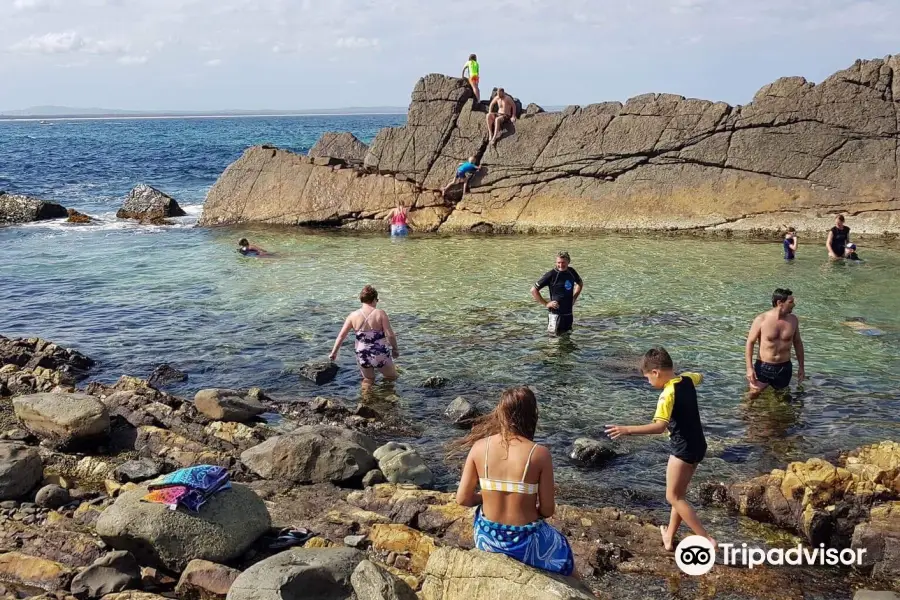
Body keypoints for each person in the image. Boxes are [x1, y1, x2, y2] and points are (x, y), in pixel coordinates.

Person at [452, 387, 575, 576]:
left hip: (487, 537)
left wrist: (485, 496)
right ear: (532, 416)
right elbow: (547, 510)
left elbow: (462, 499)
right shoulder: (539, 454)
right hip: (525, 540)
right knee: (563, 553)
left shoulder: (479, 447)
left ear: (500, 413)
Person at [605, 348, 715, 552]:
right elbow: (701, 376)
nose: (648, 383)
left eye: (648, 378)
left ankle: (706, 538)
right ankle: (669, 538)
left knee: (672, 497)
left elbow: (659, 426)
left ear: (656, 372)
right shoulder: (688, 379)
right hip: (698, 445)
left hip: (682, 450)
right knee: (679, 494)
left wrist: (627, 429)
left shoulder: (667, 394)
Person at [329, 285, 399, 387]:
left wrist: (334, 353)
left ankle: (365, 400)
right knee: (392, 377)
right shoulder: (380, 313)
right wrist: (395, 349)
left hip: (362, 353)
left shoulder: (352, 315)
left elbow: (341, 336)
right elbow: (390, 335)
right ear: (374, 299)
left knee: (368, 379)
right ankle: (389, 398)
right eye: (377, 300)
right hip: (379, 352)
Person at [745, 288, 805, 398]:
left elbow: (798, 343)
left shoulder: (793, 320)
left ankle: (775, 414)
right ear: (779, 303)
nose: (794, 305)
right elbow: (750, 342)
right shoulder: (761, 319)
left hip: (784, 367)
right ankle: (742, 415)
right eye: (791, 302)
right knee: (752, 396)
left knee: (781, 398)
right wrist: (749, 368)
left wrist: (801, 367)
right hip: (764, 367)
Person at [531, 252, 583, 335]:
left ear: (568, 262)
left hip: (569, 314)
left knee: (567, 340)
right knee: (553, 342)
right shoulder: (551, 274)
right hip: (555, 315)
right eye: (558, 262)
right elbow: (533, 290)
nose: (561, 265)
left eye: (563, 262)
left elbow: (580, 283)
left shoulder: (571, 272)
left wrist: (574, 298)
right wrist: (546, 304)